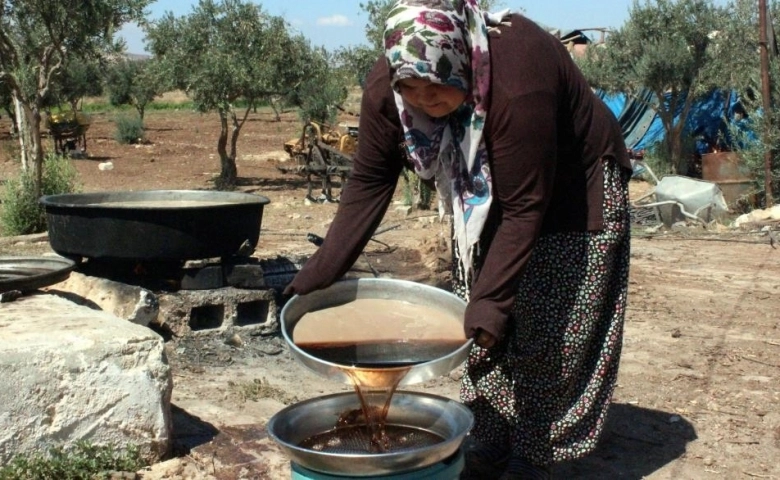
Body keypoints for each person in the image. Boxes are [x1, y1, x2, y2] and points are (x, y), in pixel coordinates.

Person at [284, 0, 632, 478]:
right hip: (482, 188)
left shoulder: (517, 80)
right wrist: (321, 271)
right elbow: (369, 179)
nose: (426, 105)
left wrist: (491, 302)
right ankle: (488, 441)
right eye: (414, 93)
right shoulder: (388, 87)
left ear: (462, 62)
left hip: (575, 187)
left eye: (439, 90)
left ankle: (537, 454)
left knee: (551, 326)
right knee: (479, 329)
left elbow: (525, 205)